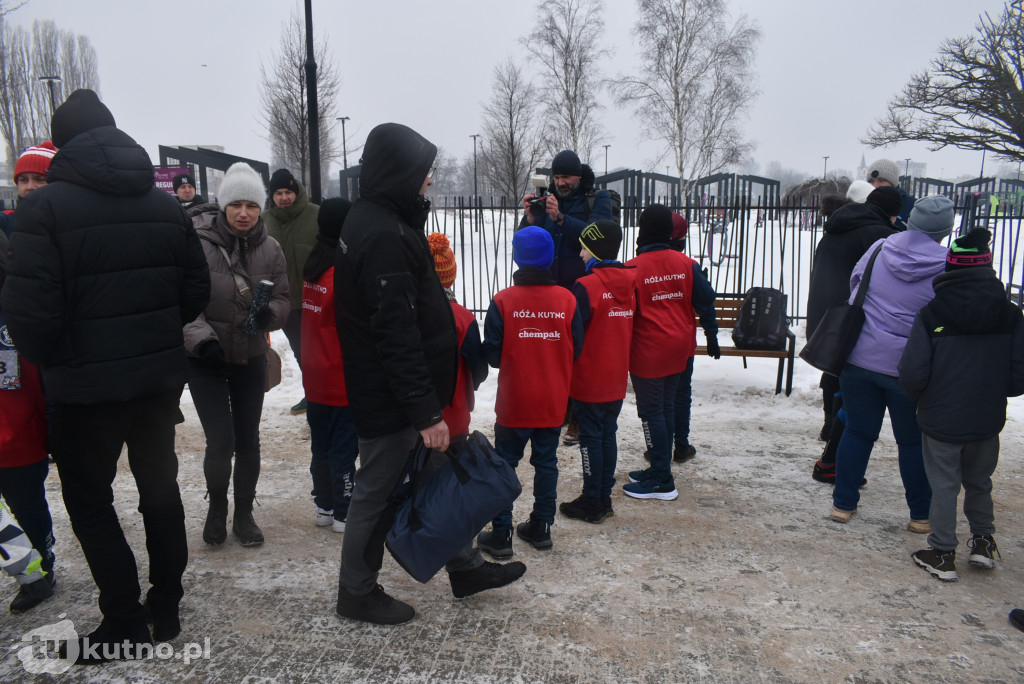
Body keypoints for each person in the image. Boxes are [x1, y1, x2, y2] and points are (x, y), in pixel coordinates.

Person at [1, 89, 211, 660]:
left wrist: (59, 355)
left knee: (90, 501)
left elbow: (27, 313)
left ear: (61, 144)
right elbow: (195, 293)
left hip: (84, 392)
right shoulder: (166, 206)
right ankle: (164, 604)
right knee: (160, 492)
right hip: (156, 382)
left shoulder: (42, 210)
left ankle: (123, 618)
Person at [333, 122, 525, 626]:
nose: (429, 184)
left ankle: (465, 568)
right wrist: (425, 410)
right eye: (424, 175)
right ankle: (356, 591)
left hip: (398, 393)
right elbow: (394, 334)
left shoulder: (382, 220)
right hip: (391, 398)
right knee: (375, 494)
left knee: (434, 479)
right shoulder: (382, 234)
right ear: (400, 173)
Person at [899, 228, 1024, 582]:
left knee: (944, 484)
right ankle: (983, 543)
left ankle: (942, 552)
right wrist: (997, 391)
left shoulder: (933, 312)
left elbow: (912, 369)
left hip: (941, 414)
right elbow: (1019, 372)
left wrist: (921, 396)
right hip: (986, 415)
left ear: (951, 267)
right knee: (980, 481)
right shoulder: (1010, 314)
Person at [828, 195, 954, 530]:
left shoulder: (881, 248)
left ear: (911, 221)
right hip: (910, 369)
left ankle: (843, 504)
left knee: (857, 432)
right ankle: (920, 515)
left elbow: (856, 285)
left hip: (859, 359)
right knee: (912, 442)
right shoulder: (947, 264)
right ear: (945, 230)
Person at [478, 226, 583, 555]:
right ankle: (541, 526)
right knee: (546, 462)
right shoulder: (567, 299)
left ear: (516, 258)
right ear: (551, 257)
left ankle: (502, 533)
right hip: (552, 400)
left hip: (515, 400)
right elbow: (575, 348)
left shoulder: (503, 301)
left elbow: (492, 353)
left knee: (504, 464)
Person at [624, 204, 718, 501]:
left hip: (649, 351)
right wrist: (712, 335)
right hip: (680, 348)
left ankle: (661, 477)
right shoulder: (686, 264)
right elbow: (706, 299)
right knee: (665, 408)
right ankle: (659, 468)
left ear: (641, 231)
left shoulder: (632, 268)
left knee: (652, 413)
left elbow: (624, 314)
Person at [807, 187, 900, 481]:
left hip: (827, 315)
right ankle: (834, 460)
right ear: (893, 213)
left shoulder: (836, 226)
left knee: (838, 377)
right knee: (855, 394)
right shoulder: (878, 235)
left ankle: (830, 433)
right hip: (855, 319)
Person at [559, 219, 635, 524]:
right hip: (616, 376)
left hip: (590, 378)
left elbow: (572, 333)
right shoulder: (632, 281)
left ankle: (593, 501)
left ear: (597, 250)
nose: (580, 255)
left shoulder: (586, 286)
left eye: (585, 248)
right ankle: (602, 495)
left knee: (591, 438)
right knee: (608, 433)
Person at [0, 227, 54, 615]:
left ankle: (39, 572)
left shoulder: (17, 305)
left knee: (26, 504)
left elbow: (39, 373)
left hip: (20, 430)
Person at [301, 197, 357, 533]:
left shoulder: (314, 265)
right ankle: (344, 510)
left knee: (320, 445)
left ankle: (324, 505)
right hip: (339, 374)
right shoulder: (341, 272)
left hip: (314, 373)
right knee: (343, 448)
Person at [262, 168, 319, 416]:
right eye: (278, 193)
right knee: (300, 350)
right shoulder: (263, 221)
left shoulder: (315, 214)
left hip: (316, 298)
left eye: (288, 192)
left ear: (296, 192)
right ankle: (312, 393)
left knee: (320, 350)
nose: (284, 197)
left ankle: (327, 395)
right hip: (285, 301)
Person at [520, 150, 613, 289]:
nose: (560, 182)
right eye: (556, 177)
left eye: (565, 177)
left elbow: (597, 238)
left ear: (579, 177)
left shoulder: (598, 199)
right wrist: (531, 218)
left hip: (584, 287)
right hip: (549, 287)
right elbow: (524, 242)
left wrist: (561, 219)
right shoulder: (548, 201)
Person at [428, 232, 487, 437]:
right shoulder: (464, 318)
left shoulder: (408, 312)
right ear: (451, 274)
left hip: (414, 419)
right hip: (453, 416)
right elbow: (479, 369)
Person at [0, 142, 57, 236]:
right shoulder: (6, 221)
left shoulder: (69, 223)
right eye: (23, 180)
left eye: (39, 179)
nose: (30, 186)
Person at [866, 158, 915, 230]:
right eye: (871, 181)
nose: (875, 185)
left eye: (881, 180)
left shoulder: (913, 208)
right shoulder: (862, 205)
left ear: (893, 183)